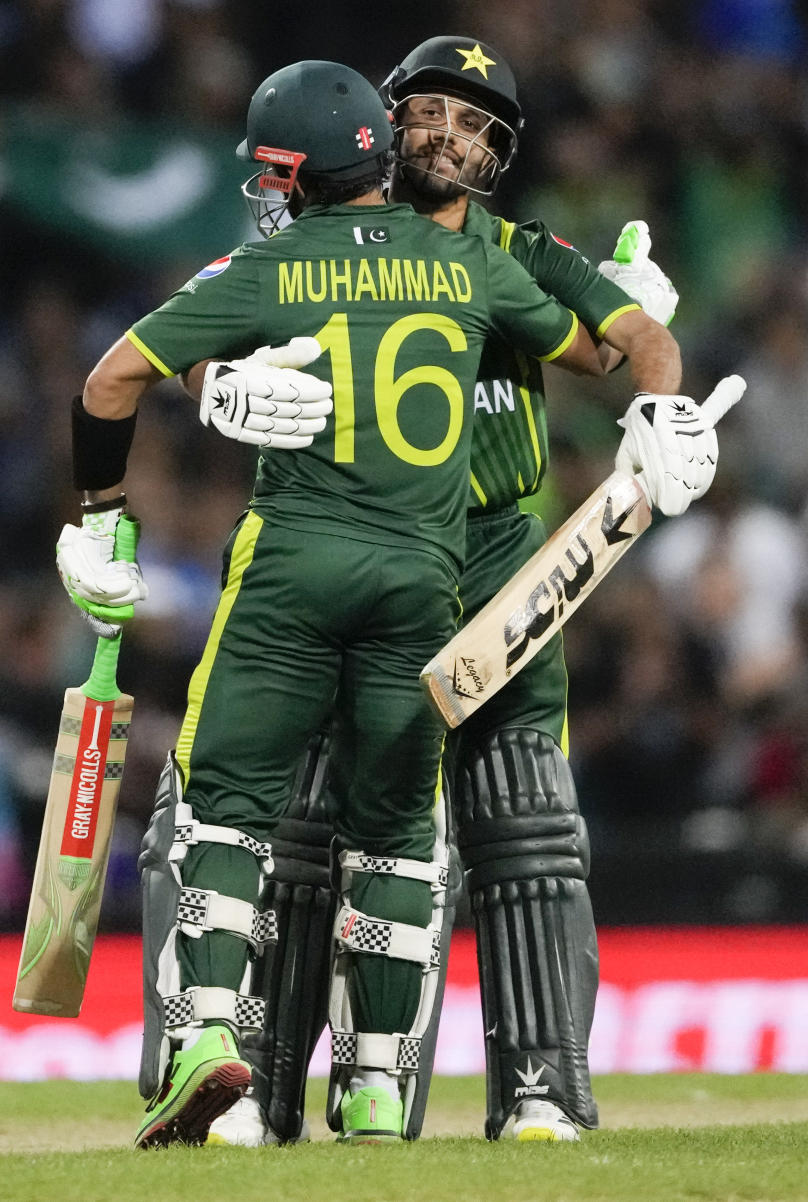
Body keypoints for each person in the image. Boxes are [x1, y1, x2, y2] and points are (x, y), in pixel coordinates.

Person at [56, 58, 615, 1148]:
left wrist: (105, 508)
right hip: (431, 579)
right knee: (402, 834)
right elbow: (598, 348)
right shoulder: (468, 263)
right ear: (385, 136)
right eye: (429, 113)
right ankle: (369, 1089)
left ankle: (211, 1042)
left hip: (298, 565)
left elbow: (114, 373)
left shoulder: (282, 258)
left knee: (223, 804)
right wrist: (648, 352)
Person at [206, 36, 739, 1148]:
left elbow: (637, 342)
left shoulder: (520, 252)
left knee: (524, 818)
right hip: (353, 542)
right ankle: (253, 1087)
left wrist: (660, 412)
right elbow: (205, 321)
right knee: (311, 821)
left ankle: (543, 1087)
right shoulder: (309, 239)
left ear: (497, 155)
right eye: (433, 113)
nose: (452, 136)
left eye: (478, 125)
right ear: (384, 124)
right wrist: (225, 384)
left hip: (498, 560)